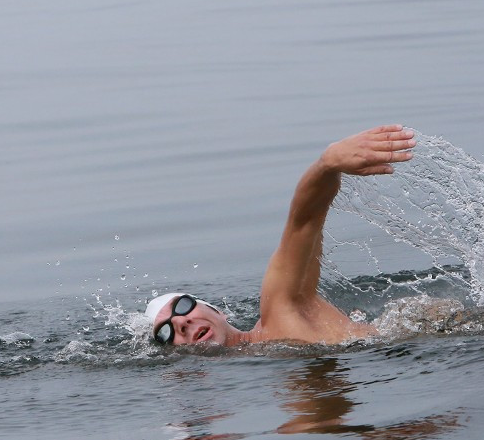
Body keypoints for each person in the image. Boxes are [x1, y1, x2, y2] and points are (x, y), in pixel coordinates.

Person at [145, 125, 416, 346]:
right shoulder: (257, 362)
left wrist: (326, 165)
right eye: (165, 333)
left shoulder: (279, 311)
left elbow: (303, 223)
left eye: (182, 306)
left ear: (217, 311)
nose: (180, 322)